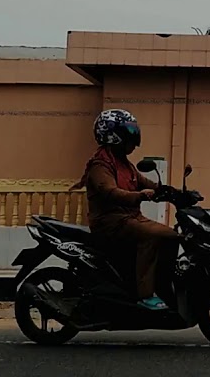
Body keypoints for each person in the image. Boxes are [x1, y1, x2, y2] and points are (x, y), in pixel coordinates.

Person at [79, 108, 179, 311]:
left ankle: (162, 284)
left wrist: (173, 193)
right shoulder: (101, 165)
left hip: (130, 219)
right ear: (113, 136)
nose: (134, 140)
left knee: (172, 235)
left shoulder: (125, 164)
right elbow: (110, 192)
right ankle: (145, 295)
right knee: (152, 236)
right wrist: (140, 196)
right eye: (129, 134)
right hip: (111, 222)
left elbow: (146, 182)